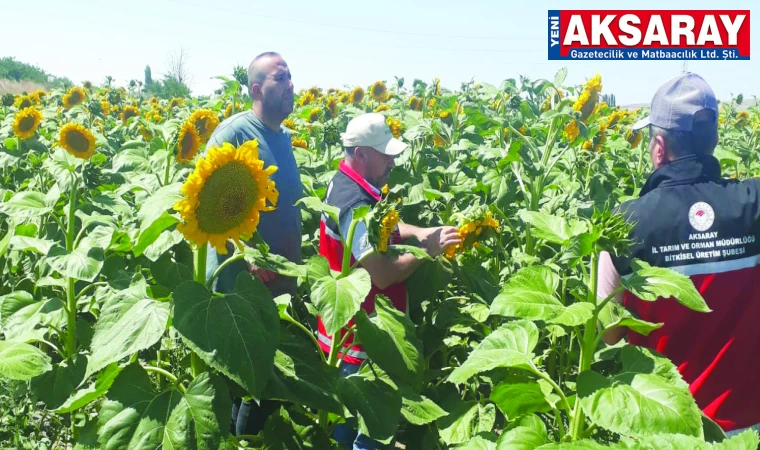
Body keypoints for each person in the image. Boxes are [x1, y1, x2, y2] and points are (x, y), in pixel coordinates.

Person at [597, 73, 760, 437]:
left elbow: (608, 331)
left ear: (658, 146)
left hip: (663, 430)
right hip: (746, 431)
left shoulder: (623, 223)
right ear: (714, 140)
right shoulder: (754, 205)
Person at [318, 113, 461, 449]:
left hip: (347, 333)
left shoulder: (350, 184)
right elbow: (380, 274)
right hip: (361, 338)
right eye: (386, 154)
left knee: (346, 426)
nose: (393, 161)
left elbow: (386, 227)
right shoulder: (352, 204)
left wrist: (421, 231)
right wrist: (429, 248)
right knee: (373, 436)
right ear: (362, 154)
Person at [202, 52, 303, 436]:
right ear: (258, 89)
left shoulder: (283, 138)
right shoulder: (234, 134)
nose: (292, 85)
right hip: (242, 285)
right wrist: (247, 256)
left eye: (292, 77)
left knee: (268, 382)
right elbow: (206, 205)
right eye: (282, 78)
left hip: (278, 281)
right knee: (250, 382)